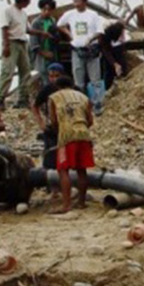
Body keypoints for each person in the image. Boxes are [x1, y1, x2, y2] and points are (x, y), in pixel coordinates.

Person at [48, 75, 95, 213]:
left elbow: (53, 121)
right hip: (84, 134)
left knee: (63, 170)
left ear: (58, 86)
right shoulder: (83, 97)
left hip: (66, 135)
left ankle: (66, 205)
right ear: (72, 85)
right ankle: (81, 202)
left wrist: (58, 131)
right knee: (82, 169)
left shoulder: (54, 97)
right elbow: (90, 120)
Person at [56, 0, 105, 91]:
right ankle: (80, 100)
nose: (76, 4)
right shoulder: (70, 14)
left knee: (95, 78)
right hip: (77, 50)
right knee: (78, 79)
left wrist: (90, 39)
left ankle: (96, 103)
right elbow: (60, 25)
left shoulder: (93, 15)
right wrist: (69, 34)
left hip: (91, 50)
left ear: (85, 1)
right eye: (74, 1)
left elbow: (100, 31)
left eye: (78, 1)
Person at [30, 63, 74, 171]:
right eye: (51, 76)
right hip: (52, 127)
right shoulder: (47, 90)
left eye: (57, 76)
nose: (54, 79)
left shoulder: (71, 89)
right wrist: (41, 122)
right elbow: (35, 105)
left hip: (68, 125)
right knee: (51, 154)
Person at [0, 0, 33, 109]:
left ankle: (23, 98)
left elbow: (27, 29)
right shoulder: (8, 11)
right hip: (12, 42)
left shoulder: (23, 13)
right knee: (7, 71)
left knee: (25, 71)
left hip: (23, 42)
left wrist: (42, 33)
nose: (29, 3)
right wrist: (5, 45)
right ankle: (0, 98)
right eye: (28, 1)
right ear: (23, 0)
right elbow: (4, 28)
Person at [30, 0, 60, 84]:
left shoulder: (52, 21)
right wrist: (43, 53)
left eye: (49, 10)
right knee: (44, 77)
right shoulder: (36, 22)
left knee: (54, 77)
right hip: (42, 54)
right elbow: (33, 43)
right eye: (44, 9)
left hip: (52, 52)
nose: (47, 12)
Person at [102, 20, 129, 89]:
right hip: (109, 56)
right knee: (109, 73)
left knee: (123, 69)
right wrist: (115, 64)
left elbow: (123, 47)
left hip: (119, 51)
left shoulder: (121, 32)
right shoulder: (104, 36)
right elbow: (106, 52)